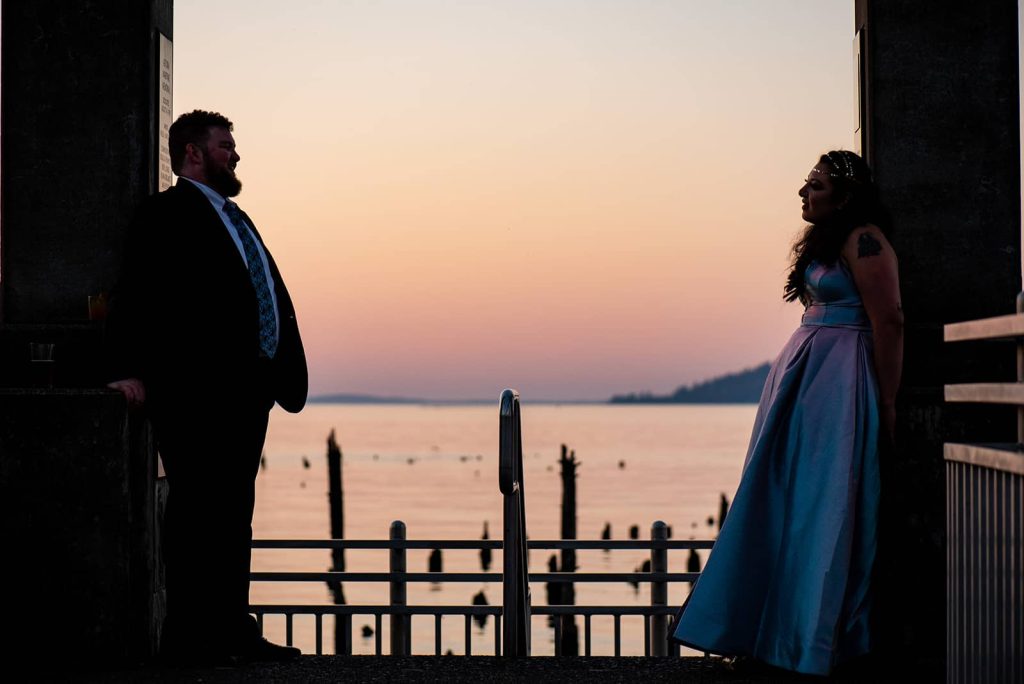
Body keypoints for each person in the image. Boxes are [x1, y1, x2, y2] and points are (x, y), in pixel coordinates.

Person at [670, 150, 903, 676]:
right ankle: (764, 631)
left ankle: (809, 640)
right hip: (803, 383)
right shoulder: (826, 242)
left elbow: (889, 320)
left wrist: (887, 399)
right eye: (806, 182)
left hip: (837, 385)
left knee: (821, 506)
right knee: (776, 498)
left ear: (844, 197)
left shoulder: (865, 240)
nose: (803, 192)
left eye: (815, 185)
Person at [106, 110, 308, 664]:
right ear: (193, 153)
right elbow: (136, 293)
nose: (235, 154)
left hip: (248, 393)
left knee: (232, 514)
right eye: (225, 145)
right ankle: (188, 638)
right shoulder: (166, 215)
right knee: (197, 515)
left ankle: (231, 631)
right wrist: (127, 368)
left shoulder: (237, 219)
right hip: (195, 394)